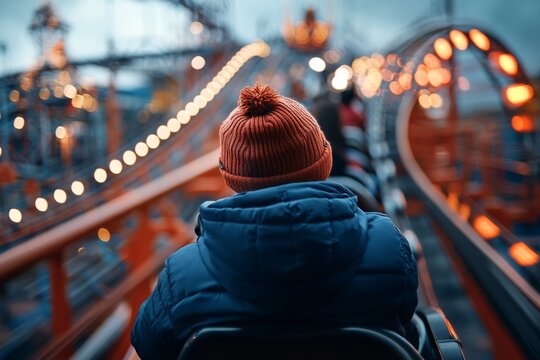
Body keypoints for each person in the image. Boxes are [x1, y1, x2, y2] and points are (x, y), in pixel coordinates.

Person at [131, 84, 418, 360]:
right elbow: (405, 320)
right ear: (324, 159)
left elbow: (150, 347)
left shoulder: (180, 274)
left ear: (230, 175)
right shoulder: (387, 244)